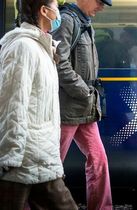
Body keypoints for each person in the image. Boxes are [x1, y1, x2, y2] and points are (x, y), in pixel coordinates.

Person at [0, 0, 78, 209]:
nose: (59, 12)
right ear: (44, 11)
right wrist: (9, 157)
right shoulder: (23, 47)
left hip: (40, 156)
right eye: (55, 6)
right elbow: (12, 104)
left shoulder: (43, 48)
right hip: (24, 160)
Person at [51, 0, 113, 209]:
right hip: (68, 108)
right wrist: (84, 92)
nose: (102, 7)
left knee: (99, 161)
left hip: (85, 108)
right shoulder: (67, 21)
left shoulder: (84, 22)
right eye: (99, 2)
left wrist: (88, 96)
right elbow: (60, 64)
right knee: (51, 166)